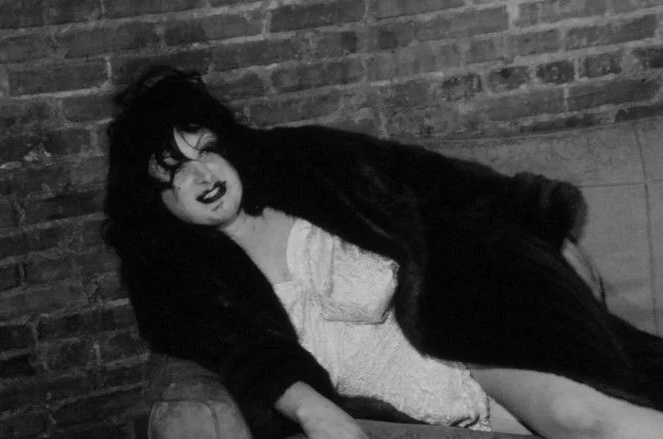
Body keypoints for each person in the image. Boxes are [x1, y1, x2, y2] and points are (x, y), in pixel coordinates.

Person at [102, 66, 663, 439]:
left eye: (205, 150)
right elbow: (240, 353)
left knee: (579, 416)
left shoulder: (303, 162)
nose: (202, 175)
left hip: (469, 331)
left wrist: (549, 234)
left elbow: (443, 182)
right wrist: (313, 411)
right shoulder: (180, 274)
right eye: (175, 171)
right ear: (155, 198)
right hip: (408, 405)